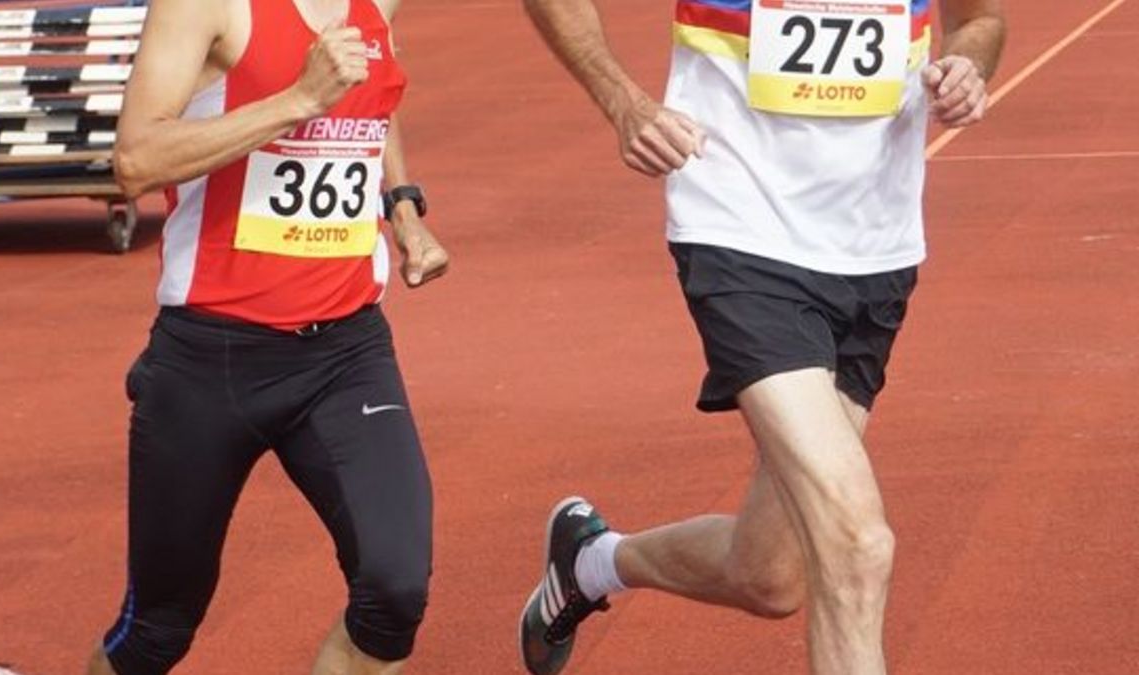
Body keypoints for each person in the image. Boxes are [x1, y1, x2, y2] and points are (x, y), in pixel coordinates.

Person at [518, 1, 1004, 673]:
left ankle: (592, 561)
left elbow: (981, 20)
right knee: (857, 544)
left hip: (875, 249)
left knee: (771, 574)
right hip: (740, 231)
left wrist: (968, 68)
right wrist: (623, 101)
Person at [85, 0, 448, 672]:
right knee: (157, 632)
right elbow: (135, 160)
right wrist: (297, 100)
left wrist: (401, 205)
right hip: (210, 359)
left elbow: (370, 97)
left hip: (346, 352)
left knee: (394, 591)